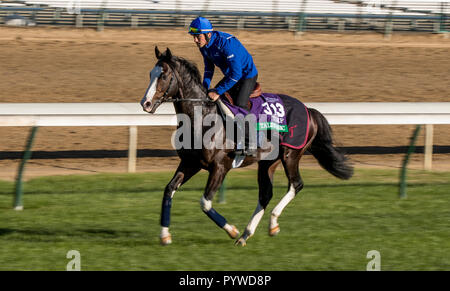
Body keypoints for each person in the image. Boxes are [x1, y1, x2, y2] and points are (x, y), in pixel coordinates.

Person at [188, 16, 258, 112]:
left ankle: (250, 126)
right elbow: (209, 68)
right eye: (194, 36)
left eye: (198, 36)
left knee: (240, 104)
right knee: (212, 98)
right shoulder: (203, 45)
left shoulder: (226, 44)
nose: (195, 40)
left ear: (208, 34)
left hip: (246, 75)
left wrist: (218, 91)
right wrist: (204, 87)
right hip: (231, 75)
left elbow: (237, 74)